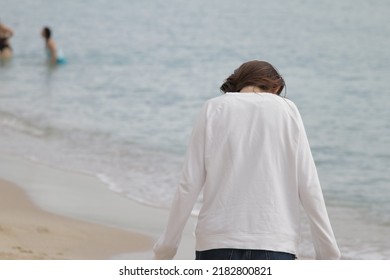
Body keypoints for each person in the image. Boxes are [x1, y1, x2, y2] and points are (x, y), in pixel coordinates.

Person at [153, 60, 341, 260]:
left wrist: (167, 247)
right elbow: (308, 184)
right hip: (275, 242)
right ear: (275, 87)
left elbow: (188, 184)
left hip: (216, 242)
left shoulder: (213, 108)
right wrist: (327, 252)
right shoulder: (287, 110)